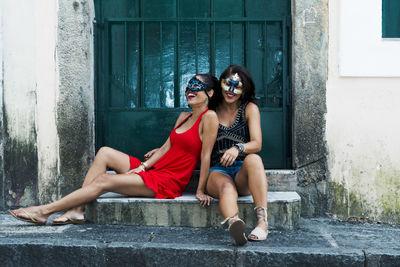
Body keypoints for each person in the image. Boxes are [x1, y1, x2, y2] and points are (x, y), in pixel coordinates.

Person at [9, 74, 219, 225]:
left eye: (196, 86)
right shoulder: (183, 117)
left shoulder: (209, 118)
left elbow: (205, 154)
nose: (190, 90)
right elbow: (166, 148)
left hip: (168, 181)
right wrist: (142, 167)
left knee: (104, 181)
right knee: (105, 152)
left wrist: (200, 190)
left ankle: (44, 211)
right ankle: (76, 210)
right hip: (154, 170)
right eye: (188, 86)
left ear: (209, 93)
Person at [204, 65, 269, 245]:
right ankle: (235, 225)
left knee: (255, 159)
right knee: (227, 189)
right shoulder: (211, 108)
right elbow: (190, 121)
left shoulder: (249, 108)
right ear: (221, 83)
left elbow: (257, 144)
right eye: (228, 84)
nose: (231, 91)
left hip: (242, 172)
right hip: (218, 171)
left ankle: (262, 223)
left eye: (237, 86)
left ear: (245, 89)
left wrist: (237, 148)